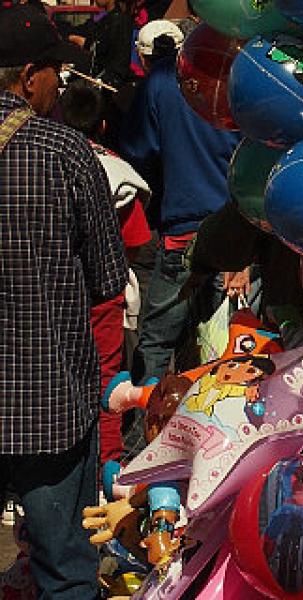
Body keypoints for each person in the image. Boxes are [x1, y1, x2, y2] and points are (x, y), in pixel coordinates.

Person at [0, 4, 128, 597]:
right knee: (66, 572)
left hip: (43, 405)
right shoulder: (62, 152)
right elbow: (107, 278)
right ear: (29, 76)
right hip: (44, 404)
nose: (60, 83)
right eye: (56, 70)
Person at [119, 19, 240, 384]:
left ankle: (144, 434)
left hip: (184, 232)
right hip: (235, 236)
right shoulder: (244, 75)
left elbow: (139, 150)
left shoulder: (161, 81)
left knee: (157, 343)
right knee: (229, 347)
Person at [58, 81, 152, 467]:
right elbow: (137, 240)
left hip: (51, 294)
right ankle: (106, 473)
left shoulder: (40, 159)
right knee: (107, 384)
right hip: (104, 298)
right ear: (102, 126)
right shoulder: (117, 171)